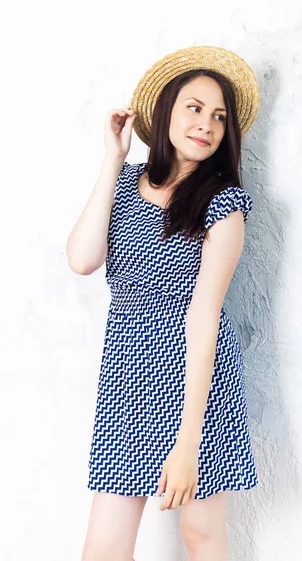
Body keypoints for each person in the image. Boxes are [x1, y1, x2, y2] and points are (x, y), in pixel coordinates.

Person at [66, 45, 260, 561]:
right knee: (104, 546)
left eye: (219, 116)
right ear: (166, 112)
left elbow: (205, 319)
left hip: (198, 382)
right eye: (193, 108)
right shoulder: (126, 186)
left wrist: (187, 443)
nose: (206, 125)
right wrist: (112, 160)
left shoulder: (223, 203)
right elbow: (83, 259)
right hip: (127, 373)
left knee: (200, 534)